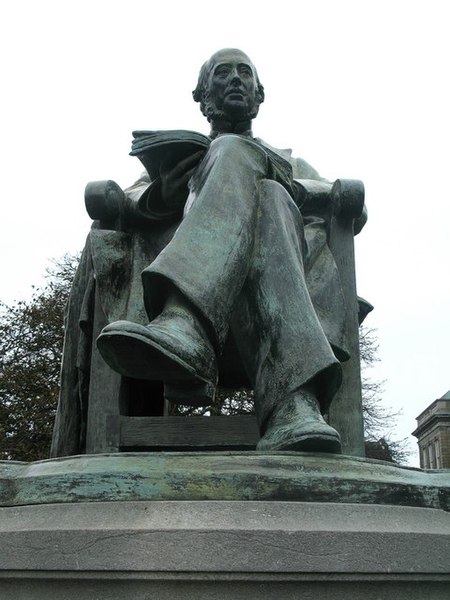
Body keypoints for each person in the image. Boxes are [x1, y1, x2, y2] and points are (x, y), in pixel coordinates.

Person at [96, 48, 351, 453]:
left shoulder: (291, 163)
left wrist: (284, 182)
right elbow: (123, 202)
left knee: (269, 191)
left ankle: (186, 323)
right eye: (223, 73)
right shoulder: (178, 158)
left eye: (244, 72)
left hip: (273, 293)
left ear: (258, 94)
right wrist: (163, 192)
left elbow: (348, 201)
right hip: (216, 310)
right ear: (203, 96)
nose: (236, 79)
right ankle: (294, 404)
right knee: (243, 165)